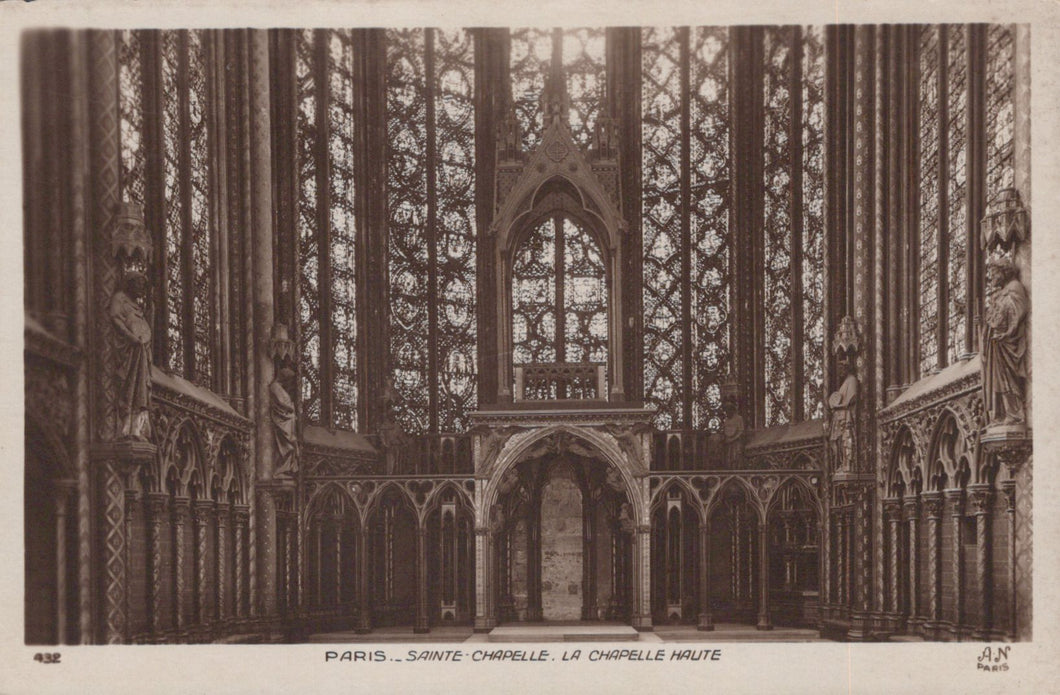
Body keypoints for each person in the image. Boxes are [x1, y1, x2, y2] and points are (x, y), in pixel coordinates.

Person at [981, 257, 1029, 426]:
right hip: (996, 344)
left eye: (993, 273)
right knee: (996, 379)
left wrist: (1007, 331)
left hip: (1007, 342)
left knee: (1007, 377)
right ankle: (1000, 414)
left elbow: (1018, 312)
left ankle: (1014, 414)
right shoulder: (1002, 293)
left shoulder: (1014, 288)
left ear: (1003, 272)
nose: (991, 277)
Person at [109, 272, 152, 440]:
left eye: (143, 286)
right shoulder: (120, 299)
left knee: (140, 389)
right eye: (139, 284)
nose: (142, 289)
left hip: (140, 353)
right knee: (128, 387)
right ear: (130, 284)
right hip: (127, 352)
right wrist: (130, 337)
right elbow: (115, 319)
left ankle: (137, 428)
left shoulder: (138, 306)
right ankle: (126, 427)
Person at [827, 358, 858, 472]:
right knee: (837, 442)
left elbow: (851, 401)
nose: (839, 372)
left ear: (846, 368)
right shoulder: (845, 382)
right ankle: (842, 464)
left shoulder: (852, 380)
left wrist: (836, 407)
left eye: (841, 369)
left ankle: (848, 465)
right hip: (839, 417)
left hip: (845, 416)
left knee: (846, 440)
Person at [271, 364, 298, 476]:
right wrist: (291, 407)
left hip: (287, 420)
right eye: (289, 380)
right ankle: (281, 469)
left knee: (290, 446)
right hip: (283, 421)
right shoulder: (275, 387)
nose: (290, 383)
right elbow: (280, 404)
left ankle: (286, 468)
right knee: (287, 446)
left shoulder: (280, 388)